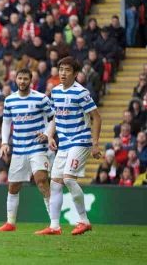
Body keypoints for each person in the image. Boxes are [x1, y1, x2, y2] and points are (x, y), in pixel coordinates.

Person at [37, 57, 102, 236]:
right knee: (55, 184)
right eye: (61, 69)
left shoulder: (81, 93)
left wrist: (95, 144)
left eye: (67, 70)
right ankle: (54, 226)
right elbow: (56, 117)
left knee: (68, 179)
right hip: (64, 144)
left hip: (80, 140)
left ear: (75, 73)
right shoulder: (56, 92)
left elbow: (96, 117)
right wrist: (49, 135)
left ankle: (84, 221)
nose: (63, 73)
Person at [0, 68, 53, 232]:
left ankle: (54, 223)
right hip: (19, 149)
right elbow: (6, 123)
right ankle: (10, 223)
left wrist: (48, 134)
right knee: (13, 186)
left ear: (31, 80)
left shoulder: (41, 98)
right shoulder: (10, 100)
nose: (22, 81)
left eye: (25, 79)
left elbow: (53, 118)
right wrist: (5, 142)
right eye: (19, 78)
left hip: (37, 147)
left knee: (41, 180)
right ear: (16, 80)